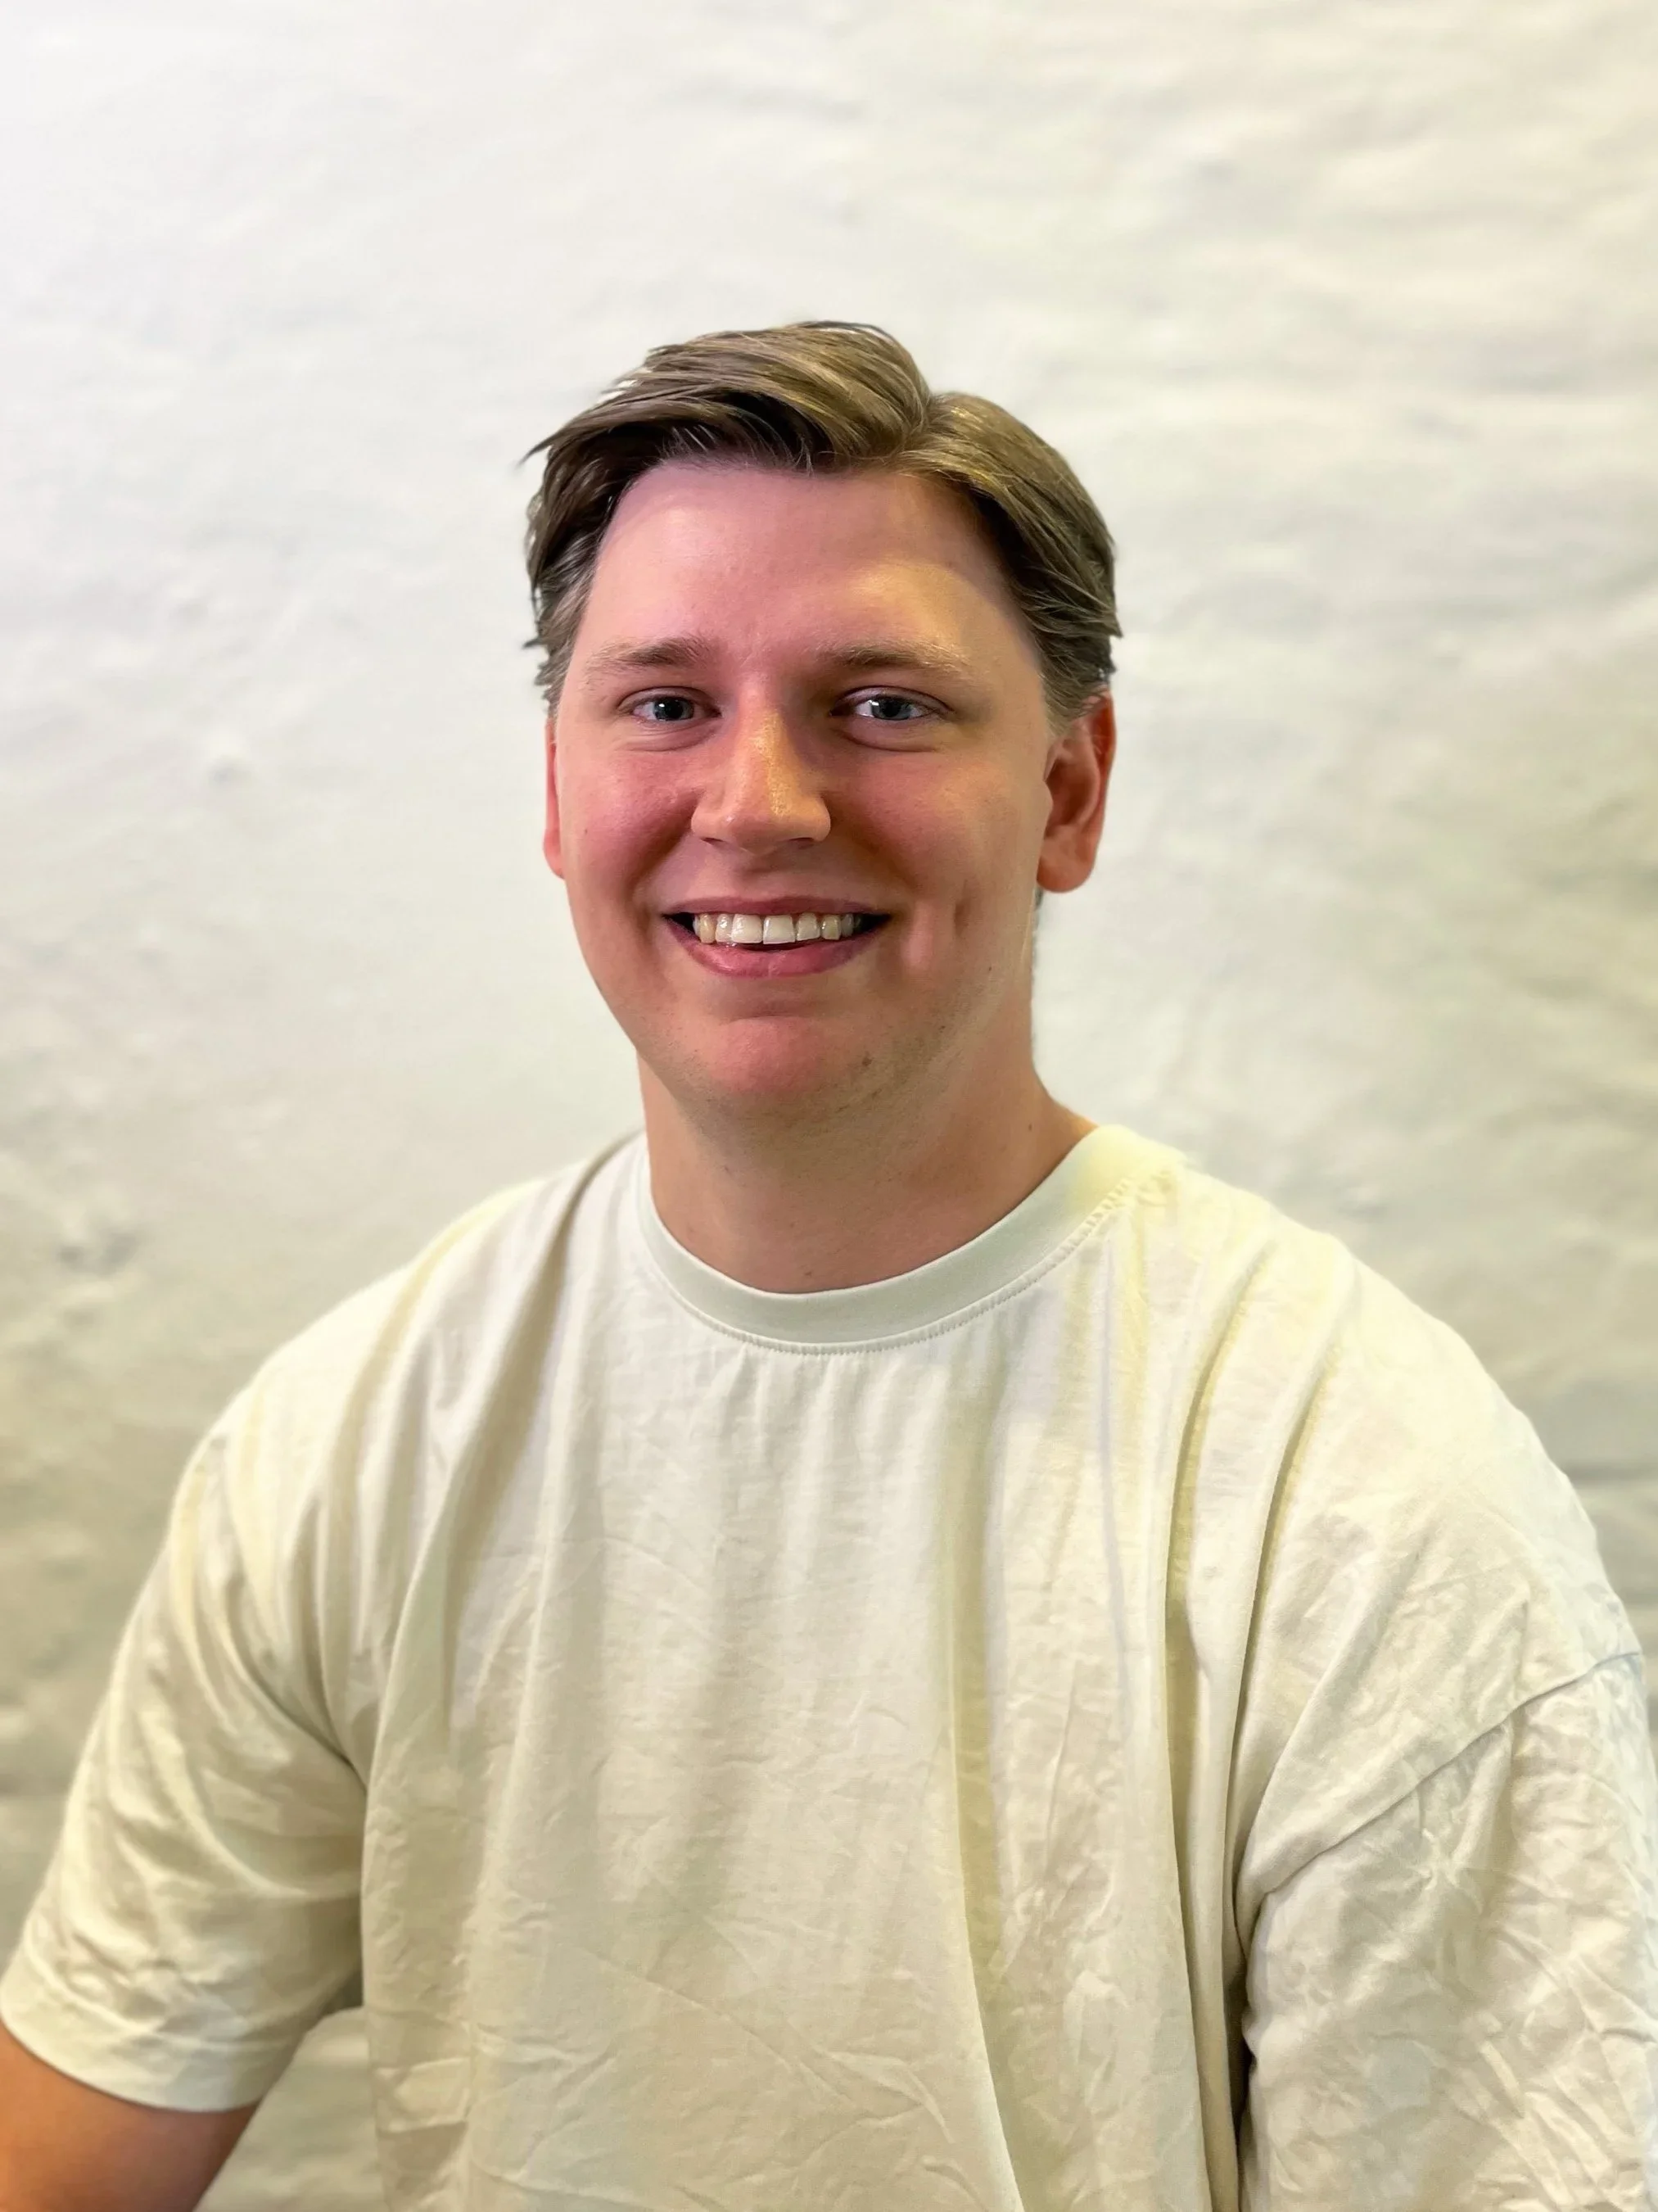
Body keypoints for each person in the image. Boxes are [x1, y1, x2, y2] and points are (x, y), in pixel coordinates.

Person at [1, 322, 1654, 2212]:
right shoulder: (355, 1440)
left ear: (1067, 791)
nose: (759, 803)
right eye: (664, 704)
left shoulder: (1363, 1502)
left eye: (880, 704)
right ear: (556, 794)